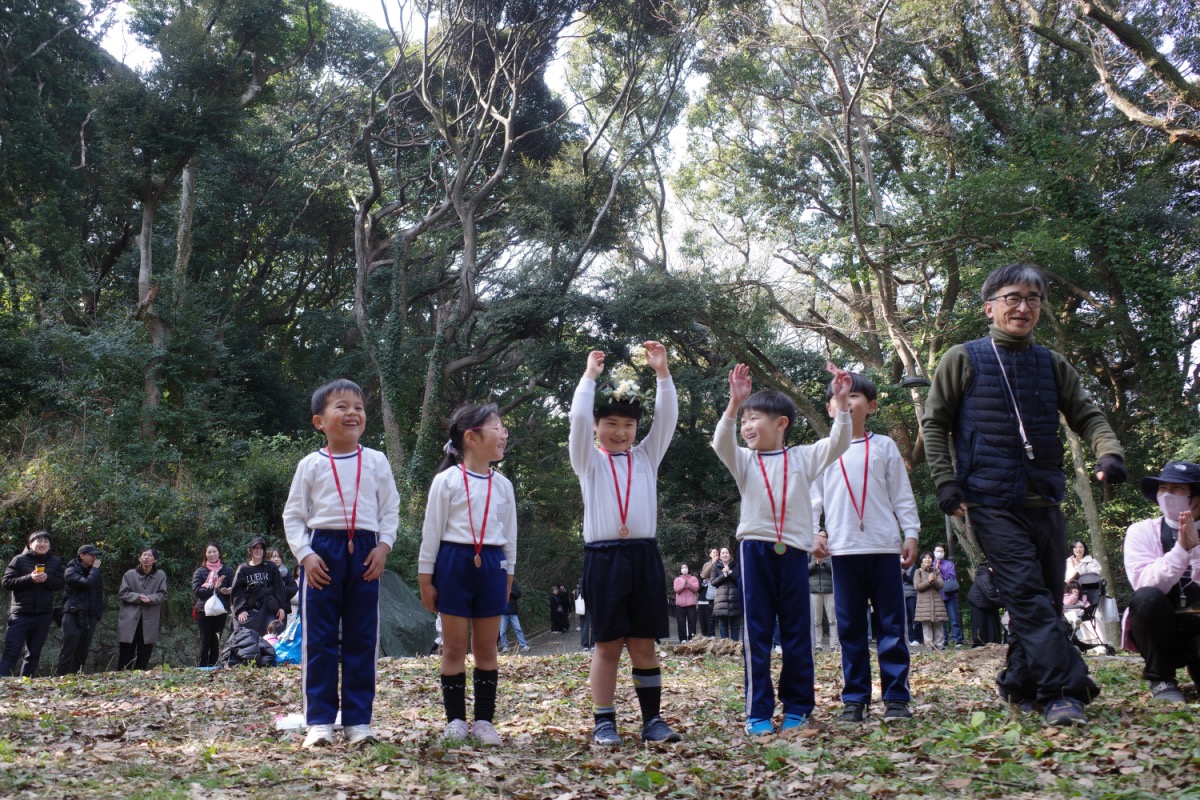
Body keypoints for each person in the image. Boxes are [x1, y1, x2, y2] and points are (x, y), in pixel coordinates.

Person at [922, 262, 1125, 726]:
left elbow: (1087, 414)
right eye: (1012, 297)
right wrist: (946, 483)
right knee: (1028, 596)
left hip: (1045, 499)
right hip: (989, 500)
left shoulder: (1051, 363)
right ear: (989, 307)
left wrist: (1108, 453)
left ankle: (1019, 683)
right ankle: (1064, 693)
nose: (1023, 307)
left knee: (1045, 601)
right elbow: (935, 424)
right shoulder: (962, 357)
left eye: (1033, 299)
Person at [712, 361, 852, 736]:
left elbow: (839, 442)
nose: (746, 427)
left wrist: (841, 404)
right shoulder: (744, 460)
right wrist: (734, 404)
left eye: (754, 418)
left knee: (796, 632)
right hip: (753, 551)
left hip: (793, 552)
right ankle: (757, 712)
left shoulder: (803, 457)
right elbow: (721, 442)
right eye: (744, 421)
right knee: (756, 632)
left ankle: (798, 708)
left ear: (781, 423)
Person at [570, 343, 681, 746]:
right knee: (607, 644)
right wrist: (589, 377)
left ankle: (653, 720)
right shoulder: (588, 460)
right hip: (603, 559)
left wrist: (663, 373)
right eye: (611, 424)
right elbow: (577, 420)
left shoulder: (646, 457)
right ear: (597, 425)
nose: (619, 432)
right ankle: (604, 722)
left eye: (628, 425)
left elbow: (667, 420)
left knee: (643, 644)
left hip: (643, 556)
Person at [282, 378, 401, 748]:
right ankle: (319, 721)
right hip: (322, 552)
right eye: (342, 407)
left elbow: (390, 509)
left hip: (366, 552)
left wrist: (383, 547)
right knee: (318, 640)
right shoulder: (310, 465)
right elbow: (293, 516)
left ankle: (357, 721)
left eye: (359, 408)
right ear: (319, 421)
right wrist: (305, 555)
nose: (353, 413)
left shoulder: (376, 460)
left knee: (362, 638)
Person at [811, 372, 920, 722]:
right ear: (829, 408)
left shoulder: (884, 446)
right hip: (843, 551)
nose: (846, 400)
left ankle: (896, 698)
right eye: (838, 396)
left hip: (884, 548)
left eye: (854, 395)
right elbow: (813, 499)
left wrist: (911, 533)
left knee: (892, 625)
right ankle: (855, 699)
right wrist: (812, 533)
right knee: (850, 628)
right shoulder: (824, 451)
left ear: (871, 406)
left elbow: (901, 495)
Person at [419, 403, 516, 746]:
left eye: (504, 428)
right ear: (471, 438)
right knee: (454, 647)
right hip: (453, 564)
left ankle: (485, 721)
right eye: (497, 427)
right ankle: (456, 720)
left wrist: (508, 576)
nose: (503, 434)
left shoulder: (503, 486)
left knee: (487, 647)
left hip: (491, 565)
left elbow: (509, 537)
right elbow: (431, 534)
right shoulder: (446, 482)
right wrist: (425, 579)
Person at [1122, 461, 1200, 703]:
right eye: (1162, 488)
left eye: (1177, 489)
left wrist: (1195, 551)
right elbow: (1144, 583)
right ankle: (1161, 679)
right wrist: (1181, 550)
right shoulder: (1142, 531)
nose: (1167, 495)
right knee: (1146, 598)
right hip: (1162, 628)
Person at [1, 531, 65, 677]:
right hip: (20, 614)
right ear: (31, 544)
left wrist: (47, 579)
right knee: (12, 651)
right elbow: (7, 582)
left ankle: (26, 683)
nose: (43, 544)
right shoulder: (19, 560)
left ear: (49, 545)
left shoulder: (55, 562)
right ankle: (3, 683)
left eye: (46, 542)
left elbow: (60, 583)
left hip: (43, 615)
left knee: (33, 654)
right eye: (39, 541)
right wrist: (30, 578)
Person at [56, 544, 104, 675]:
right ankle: (60, 678)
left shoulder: (94, 572)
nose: (94, 558)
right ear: (82, 555)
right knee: (68, 650)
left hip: (90, 616)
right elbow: (86, 583)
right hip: (73, 614)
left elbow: (99, 594)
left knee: (82, 652)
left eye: (95, 556)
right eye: (91, 555)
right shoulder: (71, 571)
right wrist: (95, 570)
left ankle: (76, 679)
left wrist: (96, 615)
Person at [117, 546, 167, 671]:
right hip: (129, 620)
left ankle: (140, 678)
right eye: (144, 555)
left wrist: (151, 598)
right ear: (139, 558)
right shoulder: (130, 574)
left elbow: (163, 594)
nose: (146, 557)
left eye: (149, 555)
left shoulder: (160, 575)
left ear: (155, 559)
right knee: (125, 655)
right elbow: (123, 593)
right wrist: (138, 597)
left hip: (149, 620)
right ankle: (122, 677)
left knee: (144, 654)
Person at [230, 537, 286, 635]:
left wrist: (282, 607)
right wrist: (240, 609)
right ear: (250, 550)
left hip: (269, 608)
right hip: (250, 610)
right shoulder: (243, 569)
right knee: (245, 637)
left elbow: (279, 587)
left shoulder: (270, 566)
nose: (258, 550)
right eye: (255, 548)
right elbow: (237, 591)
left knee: (273, 634)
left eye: (260, 548)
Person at [192, 542, 234, 668]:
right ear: (205, 554)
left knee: (216, 641)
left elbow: (235, 588)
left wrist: (228, 591)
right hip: (203, 610)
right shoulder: (200, 571)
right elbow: (197, 591)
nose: (212, 554)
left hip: (220, 610)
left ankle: (214, 667)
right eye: (209, 552)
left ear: (219, 553)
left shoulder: (227, 571)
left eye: (214, 551)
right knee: (205, 641)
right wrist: (214, 587)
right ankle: (202, 669)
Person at [913, 553, 947, 650]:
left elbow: (941, 585)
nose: (927, 559)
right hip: (923, 603)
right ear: (921, 560)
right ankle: (929, 645)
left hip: (937, 602)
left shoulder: (937, 571)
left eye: (929, 558)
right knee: (926, 624)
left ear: (932, 560)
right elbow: (917, 587)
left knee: (938, 623)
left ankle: (940, 644)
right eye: (925, 558)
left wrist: (934, 580)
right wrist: (928, 581)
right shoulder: (918, 571)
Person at [932, 546, 963, 647]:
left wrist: (939, 571)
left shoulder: (949, 564)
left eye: (941, 551)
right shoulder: (930, 564)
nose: (939, 553)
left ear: (944, 553)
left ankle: (957, 639)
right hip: (937, 595)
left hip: (950, 594)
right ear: (934, 552)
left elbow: (952, 577)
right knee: (941, 619)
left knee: (954, 618)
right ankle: (944, 639)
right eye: (937, 551)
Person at [966, 561, 1003, 647]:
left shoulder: (991, 575)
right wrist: (1006, 603)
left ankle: (993, 645)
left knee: (991, 628)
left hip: (988, 604)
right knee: (980, 629)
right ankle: (979, 647)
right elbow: (991, 593)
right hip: (978, 604)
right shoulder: (985, 575)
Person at [710, 548, 741, 640]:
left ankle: (735, 646)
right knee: (723, 627)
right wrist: (724, 575)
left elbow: (741, 582)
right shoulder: (715, 567)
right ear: (720, 556)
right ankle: (725, 647)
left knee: (735, 627)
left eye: (727, 553)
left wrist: (730, 573)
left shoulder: (736, 566)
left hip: (735, 601)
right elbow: (713, 582)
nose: (725, 555)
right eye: (722, 553)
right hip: (721, 602)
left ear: (730, 555)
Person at [807, 554, 836, 652]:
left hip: (830, 590)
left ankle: (834, 645)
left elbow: (835, 570)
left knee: (832, 620)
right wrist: (815, 563)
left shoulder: (830, 553)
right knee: (816, 621)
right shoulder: (811, 553)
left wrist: (824, 562)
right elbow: (805, 570)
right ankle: (818, 645)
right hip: (814, 591)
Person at [268, 547, 299, 624]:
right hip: (268, 608)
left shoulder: (286, 573)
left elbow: (294, 588)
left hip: (283, 608)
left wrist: (280, 590)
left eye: (278, 557)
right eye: (273, 557)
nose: (276, 559)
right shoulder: (265, 573)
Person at [499, 579, 531, 653]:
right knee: (502, 631)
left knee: (518, 629)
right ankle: (505, 647)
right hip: (503, 612)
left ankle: (523, 645)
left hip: (513, 611)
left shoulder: (513, 584)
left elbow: (518, 594)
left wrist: (511, 592)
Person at [673, 564, 699, 642]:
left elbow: (696, 589)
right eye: (682, 568)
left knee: (692, 622)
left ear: (688, 569)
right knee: (681, 622)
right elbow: (676, 589)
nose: (684, 569)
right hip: (680, 605)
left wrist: (688, 583)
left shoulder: (694, 578)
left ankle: (692, 638)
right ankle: (682, 638)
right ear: (680, 570)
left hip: (691, 604)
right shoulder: (677, 579)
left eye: (686, 567)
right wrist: (683, 583)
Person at [698, 548, 719, 637]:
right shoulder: (706, 564)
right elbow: (704, 575)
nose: (716, 554)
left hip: (721, 591)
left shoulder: (722, 563)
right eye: (714, 552)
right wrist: (712, 563)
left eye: (717, 552)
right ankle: (711, 634)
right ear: (710, 555)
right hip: (711, 591)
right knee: (711, 615)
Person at [902, 562, 922, 646]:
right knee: (907, 619)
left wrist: (904, 575)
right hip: (902, 595)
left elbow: (914, 581)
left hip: (912, 594)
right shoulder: (899, 567)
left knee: (915, 617)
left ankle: (919, 638)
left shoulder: (914, 567)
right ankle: (910, 638)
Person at [574, 578, 593, 651]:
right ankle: (585, 644)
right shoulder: (582, 580)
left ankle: (594, 643)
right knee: (585, 625)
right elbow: (580, 591)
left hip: (594, 604)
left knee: (595, 625)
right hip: (585, 605)